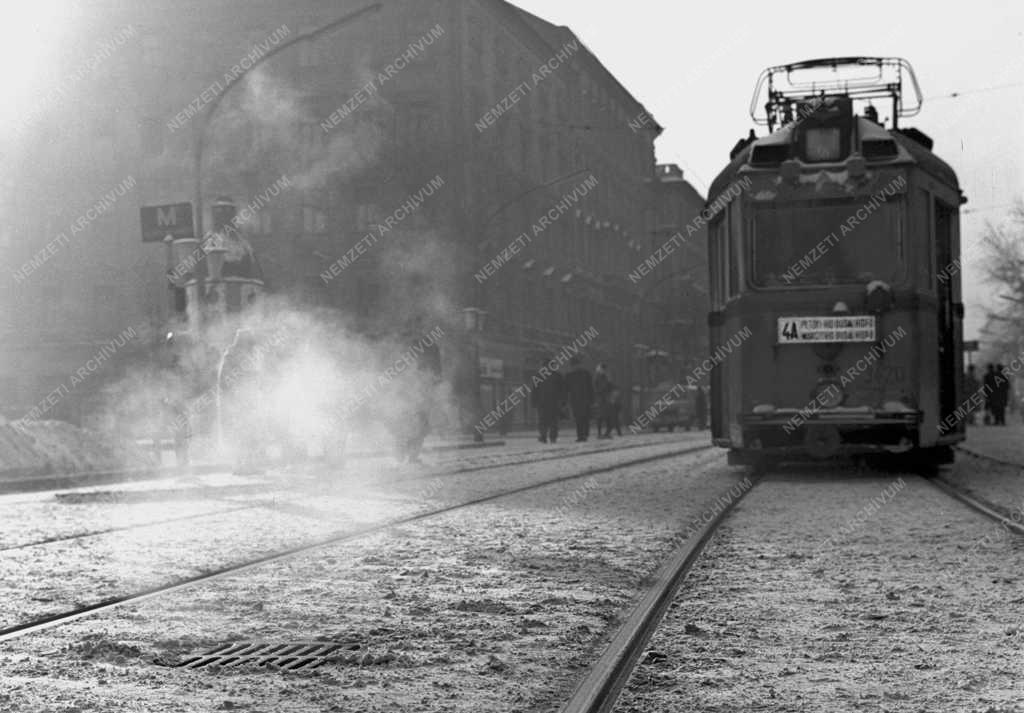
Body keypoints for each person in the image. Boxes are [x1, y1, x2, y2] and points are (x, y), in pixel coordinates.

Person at [531, 358, 565, 443]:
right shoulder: (558, 376)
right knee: (554, 420)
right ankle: (553, 437)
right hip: (554, 402)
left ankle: (543, 436)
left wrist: (534, 402)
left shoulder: (537, 376)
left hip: (542, 403)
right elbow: (562, 390)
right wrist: (563, 402)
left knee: (542, 420)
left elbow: (534, 391)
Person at [564, 356, 594, 442]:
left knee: (579, 418)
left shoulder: (569, 376)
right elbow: (590, 388)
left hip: (576, 400)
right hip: (584, 400)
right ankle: (584, 434)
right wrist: (592, 399)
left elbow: (566, 390)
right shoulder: (586, 374)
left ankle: (581, 435)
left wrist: (565, 400)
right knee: (584, 418)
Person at [593, 363, 612, 438]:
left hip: (605, 399)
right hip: (601, 399)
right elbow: (598, 388)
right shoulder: (599, 377)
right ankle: (600, 433)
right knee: (601, 417)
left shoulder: (604, 377)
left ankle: (605, 433)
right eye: (603, 369)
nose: (604, 371)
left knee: (606, 417)